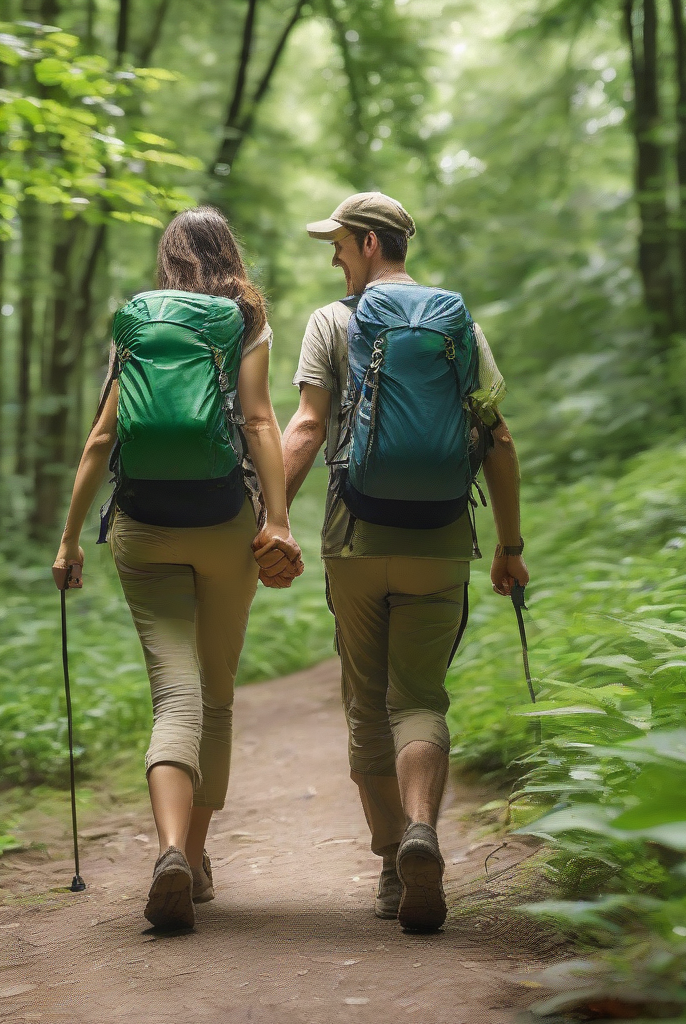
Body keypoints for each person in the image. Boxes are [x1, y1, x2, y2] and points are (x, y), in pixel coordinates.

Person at [275, 192, 528, 932]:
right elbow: (499, 441)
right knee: (420, 697)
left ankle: (392, 862)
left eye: (340, 244)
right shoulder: (461, 328)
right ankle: (423, 828)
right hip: (442, 540)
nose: (333, 257)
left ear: (369, 242)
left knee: (366, 706)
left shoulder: (332, 321)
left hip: (355, 541)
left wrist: (269, 520)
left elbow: (307, 427)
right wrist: (509, 547)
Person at [53, 207, 302, 932]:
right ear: (230, 252)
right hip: (223, 523)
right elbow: (259, 422)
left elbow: (103, 435)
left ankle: (163, 848)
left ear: (166, 260)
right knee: (214, 696)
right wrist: (278, 521)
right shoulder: (242, 317)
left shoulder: (136, 321)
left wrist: (69, 540)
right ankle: (192, 856)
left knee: (173, 694)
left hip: (141, 523)